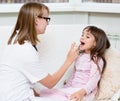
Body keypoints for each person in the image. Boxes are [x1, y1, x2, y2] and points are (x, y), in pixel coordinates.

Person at [0, 2, 79, 101]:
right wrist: (69, 60)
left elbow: (23, 75)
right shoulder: (25, 50)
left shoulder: (16, 39)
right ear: (36, 20)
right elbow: (50, 83)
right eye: (47, 19)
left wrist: (37, 95)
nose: (47, 23)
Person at [39, 25, 111, 101]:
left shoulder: (96, 59)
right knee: (49, 93)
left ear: (95, 43)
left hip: (85, 92)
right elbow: (73, 75)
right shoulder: (79, 56)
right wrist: (65, 89)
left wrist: (82, 92)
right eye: (82, 35)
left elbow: (94, 80)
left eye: (87, 37)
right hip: (72, 89)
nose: (82, 37)